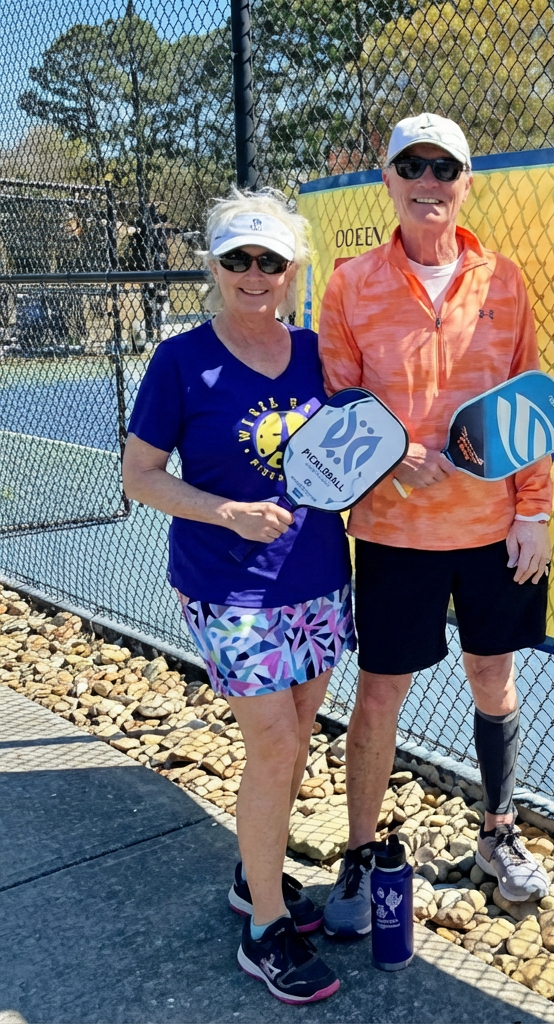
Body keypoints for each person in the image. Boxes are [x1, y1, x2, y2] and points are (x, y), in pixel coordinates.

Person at [317, 113, 553, 939]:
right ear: (387, 180)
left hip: (493, 531)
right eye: (411, 167)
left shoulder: (505, 281)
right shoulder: (349, 284)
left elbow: (529, 404)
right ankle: (358, 853)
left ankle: (498, 833)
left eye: (443, 168)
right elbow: (339, 400)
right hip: (393, 535)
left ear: (466, 182)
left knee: (493, 677)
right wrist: (394, 457)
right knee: (381, 693)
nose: (428, 183)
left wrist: (534, 510)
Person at [121, 188, 349, 1004]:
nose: (255, 273)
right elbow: (140, 477)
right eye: (238, 259)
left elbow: (356, 447)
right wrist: (228, 512)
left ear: (293, 270)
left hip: (317, 576)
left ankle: (255, 877)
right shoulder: (181, 360)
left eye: (270, 260)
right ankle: (265, 932)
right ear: (215, 267)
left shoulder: (320, 353)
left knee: (298, 731)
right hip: (227, 588)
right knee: (276, 744)